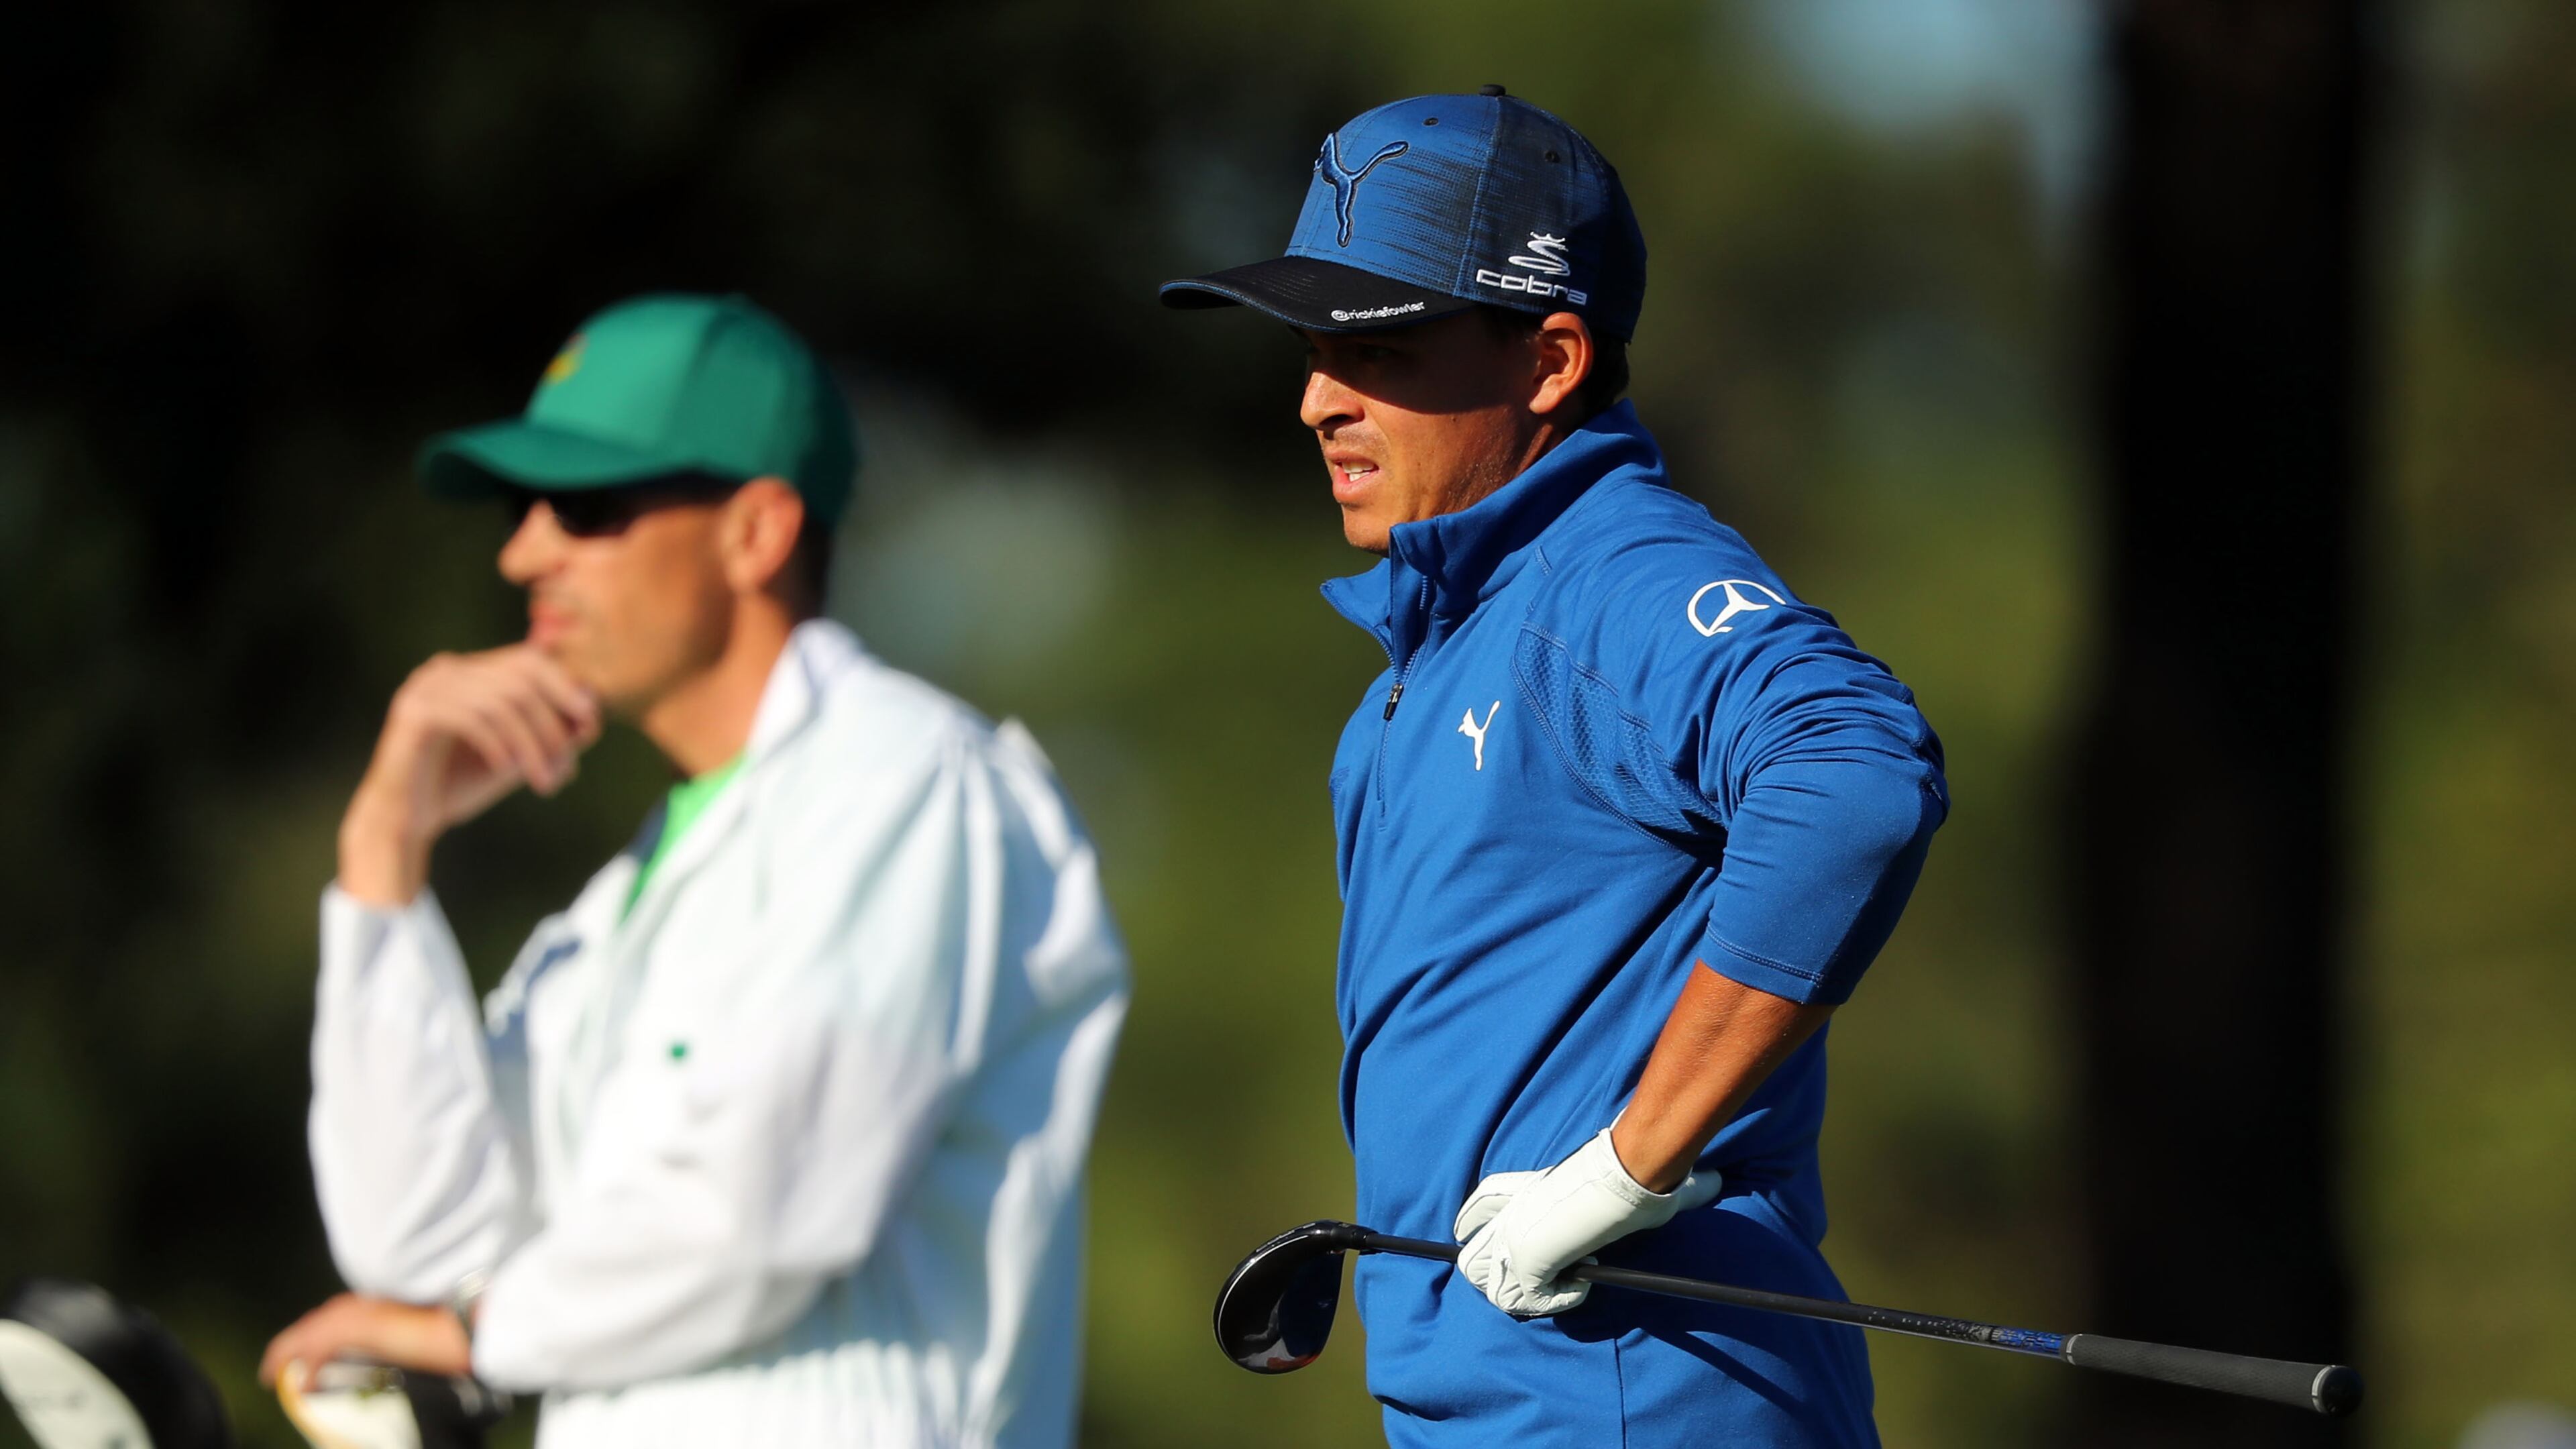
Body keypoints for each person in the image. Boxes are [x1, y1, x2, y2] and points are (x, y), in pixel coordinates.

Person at [1161, 89, 1945, 1446]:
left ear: (1551, 358)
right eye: (1310, 347)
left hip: (1646, 1401)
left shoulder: (1614, 581)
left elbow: (1855, 774)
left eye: (1377, 345)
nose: (1317, 400)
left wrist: (1626, 1165)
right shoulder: (1437, 658)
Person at [256, 293, 1130, 1449]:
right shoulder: (628, 898)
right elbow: (420, 1249)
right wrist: (383, 857)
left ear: (756, 533)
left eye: (585, 505)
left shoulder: (906, 783)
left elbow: (770, 1207)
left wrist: (480, 1334)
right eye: (526, 511)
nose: (525, 551)